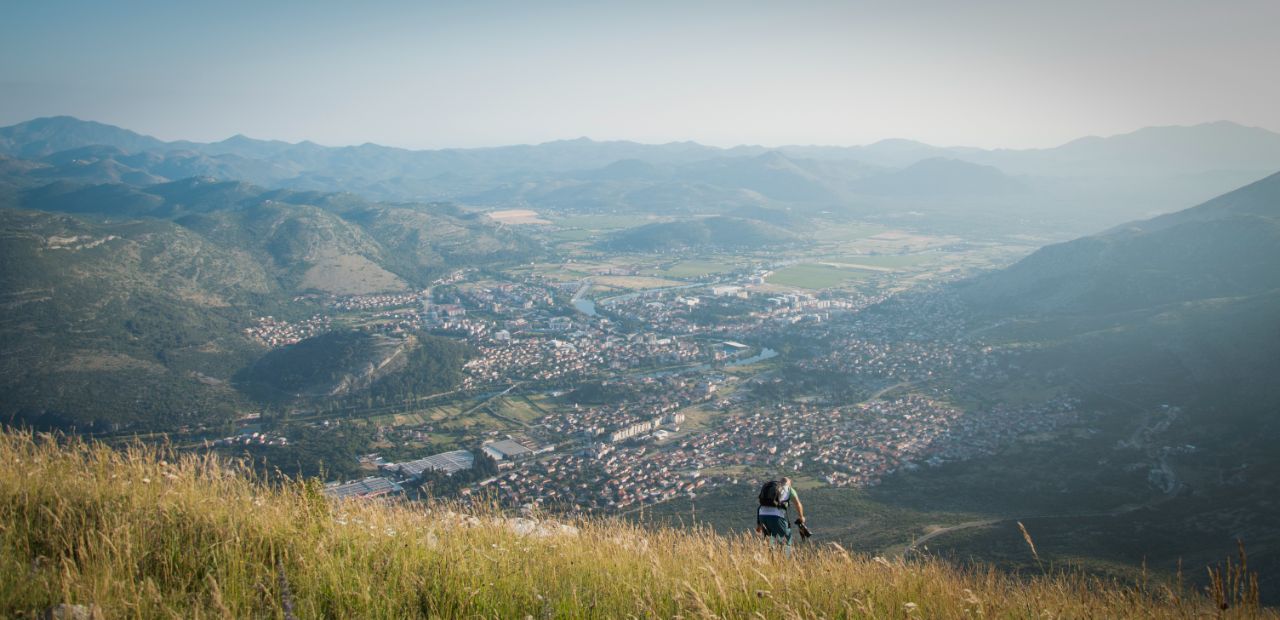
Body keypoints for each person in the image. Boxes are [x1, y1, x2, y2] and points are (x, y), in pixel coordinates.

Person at [756, 477, 806, 551]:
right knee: (787, 539)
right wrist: (801, 517)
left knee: (771, 540)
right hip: (776, 517)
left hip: (762, 516)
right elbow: (797, 504)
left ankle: (771, 558)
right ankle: (785, 560)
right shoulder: (789, 489)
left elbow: (761, 505)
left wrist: (759, 524)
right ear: (789, 483)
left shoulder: (770, 488)